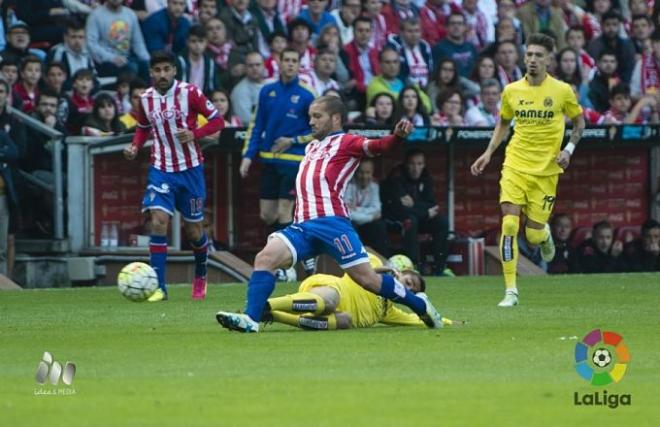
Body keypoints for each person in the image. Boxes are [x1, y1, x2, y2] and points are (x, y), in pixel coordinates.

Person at [216, 95, 444, 333]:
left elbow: (377, 147)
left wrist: (397, 137)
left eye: (317, 116)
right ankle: (251, 320)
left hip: (332, 223)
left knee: (368, 280)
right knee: (265, 258)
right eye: (310, 117)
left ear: (335, 118)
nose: (311, 122)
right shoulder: (312, 146)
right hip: (302, 225)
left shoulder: (347, 142)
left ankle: (419, 304)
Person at [470, 33, 585, 307]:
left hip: (546, 172)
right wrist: (488, 153)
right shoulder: (511, 91)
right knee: (509, 223)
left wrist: (568, 150)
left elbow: (579, 124)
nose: (533, 59)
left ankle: (543, 235)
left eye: (538, 55)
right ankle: (511, 291)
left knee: (532, 234)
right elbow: (503, 124)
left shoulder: (562, 91)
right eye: (529, 54)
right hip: (515, 165)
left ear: (549, 60)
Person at [122, 51, 225, 302]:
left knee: (193, 232)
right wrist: (135, 146)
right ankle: (159, 287)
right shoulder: (145, 99)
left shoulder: (190, 93)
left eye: (167, 69)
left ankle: (201, 272)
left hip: (191, 171)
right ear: (151, 73)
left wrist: (195, 134)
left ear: (175, 71)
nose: (162, 75)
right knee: (158, 221)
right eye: (157, 70)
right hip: (161, 169)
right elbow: (143, 128)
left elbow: (218, 121)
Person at [240, 48, 315, 256]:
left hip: (294, 161)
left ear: (299, 65)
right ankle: (292, 252)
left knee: (284, 210)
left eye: (294, 60)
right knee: (267, 215)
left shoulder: (308, 94)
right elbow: (256, 126)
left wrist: (293, 140)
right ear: (278, 63)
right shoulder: (266, 91)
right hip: (269, 161)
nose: (290, 64)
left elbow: (319, 129)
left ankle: (284, 261)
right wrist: (247, 156)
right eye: (287, 60)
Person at [263, 253, 459, 330]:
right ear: (398, 273)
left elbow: (417, 319)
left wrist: (448, 321)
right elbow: (363, 271)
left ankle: (274, 316)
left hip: (334, 315)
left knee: (344, 321)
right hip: (331, 288)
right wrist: (386, 271)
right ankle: (266, 305)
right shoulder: (376, 264)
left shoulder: (389, 311)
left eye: (411, 290)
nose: (406, 289)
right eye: (407, 282)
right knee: (330, 300)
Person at [381, 148, 449, 275]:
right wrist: (425, 211)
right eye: (412, 164)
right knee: (410, 221)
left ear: (423, 165)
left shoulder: (426, 177)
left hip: (419, 217)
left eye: (419, 164)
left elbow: (432, 204)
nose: (416, 168)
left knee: (442, 222)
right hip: (395, 219)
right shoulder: (397, 177)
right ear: (406, 164)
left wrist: (415, 206)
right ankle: (414, 267)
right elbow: (400, 208)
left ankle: (439, 268)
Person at [86, 0, 150, 80]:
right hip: (105, 62)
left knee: (147, 66)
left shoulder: (130, 14)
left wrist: (148, 61)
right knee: (132, 67)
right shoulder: (95, 15)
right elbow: (91, 44)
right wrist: (112, 58)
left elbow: (138, 43)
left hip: (127, 59)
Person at [344, 159, 389, 257]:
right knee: (349, 225)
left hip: (367, 224)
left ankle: (382, 260)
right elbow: (347, 213)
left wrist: (357, 209)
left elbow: (377, 210)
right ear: (355, 172)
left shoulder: (374, 187)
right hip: (355, 223)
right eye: (361, 172)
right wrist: (370, 216)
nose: (364, 176)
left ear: (372, 173)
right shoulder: (348, 186)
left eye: (367, 173)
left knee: (380, 226)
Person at [0, 80, 21, 277]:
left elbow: (14, 151)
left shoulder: (11, 122)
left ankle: (4, 284)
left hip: (3, 192)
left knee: (3, 245)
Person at [46, 18, 97, 89]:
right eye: (73, 37)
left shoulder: (87, 54)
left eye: (81, 37)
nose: (77, 41)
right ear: (65, 37)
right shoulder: (57, 53)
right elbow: (53, 80)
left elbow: (93, 78)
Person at [431, 12, 478, 78]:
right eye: (452, 23)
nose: (456, 27)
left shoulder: (471, 47)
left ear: (465, 27)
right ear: (446, 27)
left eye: (459, 23)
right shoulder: (439, 48)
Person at [175, 25, 219, 93]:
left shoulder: (210, 63)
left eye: (201, 41)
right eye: (193, 41)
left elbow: (212, 87)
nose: (197, 45)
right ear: (187, 42)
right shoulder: (179, 61)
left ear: (206, 42)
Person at [230, 51, 266, 125]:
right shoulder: (239, 91)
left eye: (258, 65)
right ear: (245, 68)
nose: (254, 68)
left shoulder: (273, 83)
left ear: (264, 66)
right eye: (250, 65)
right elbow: (246, 121)